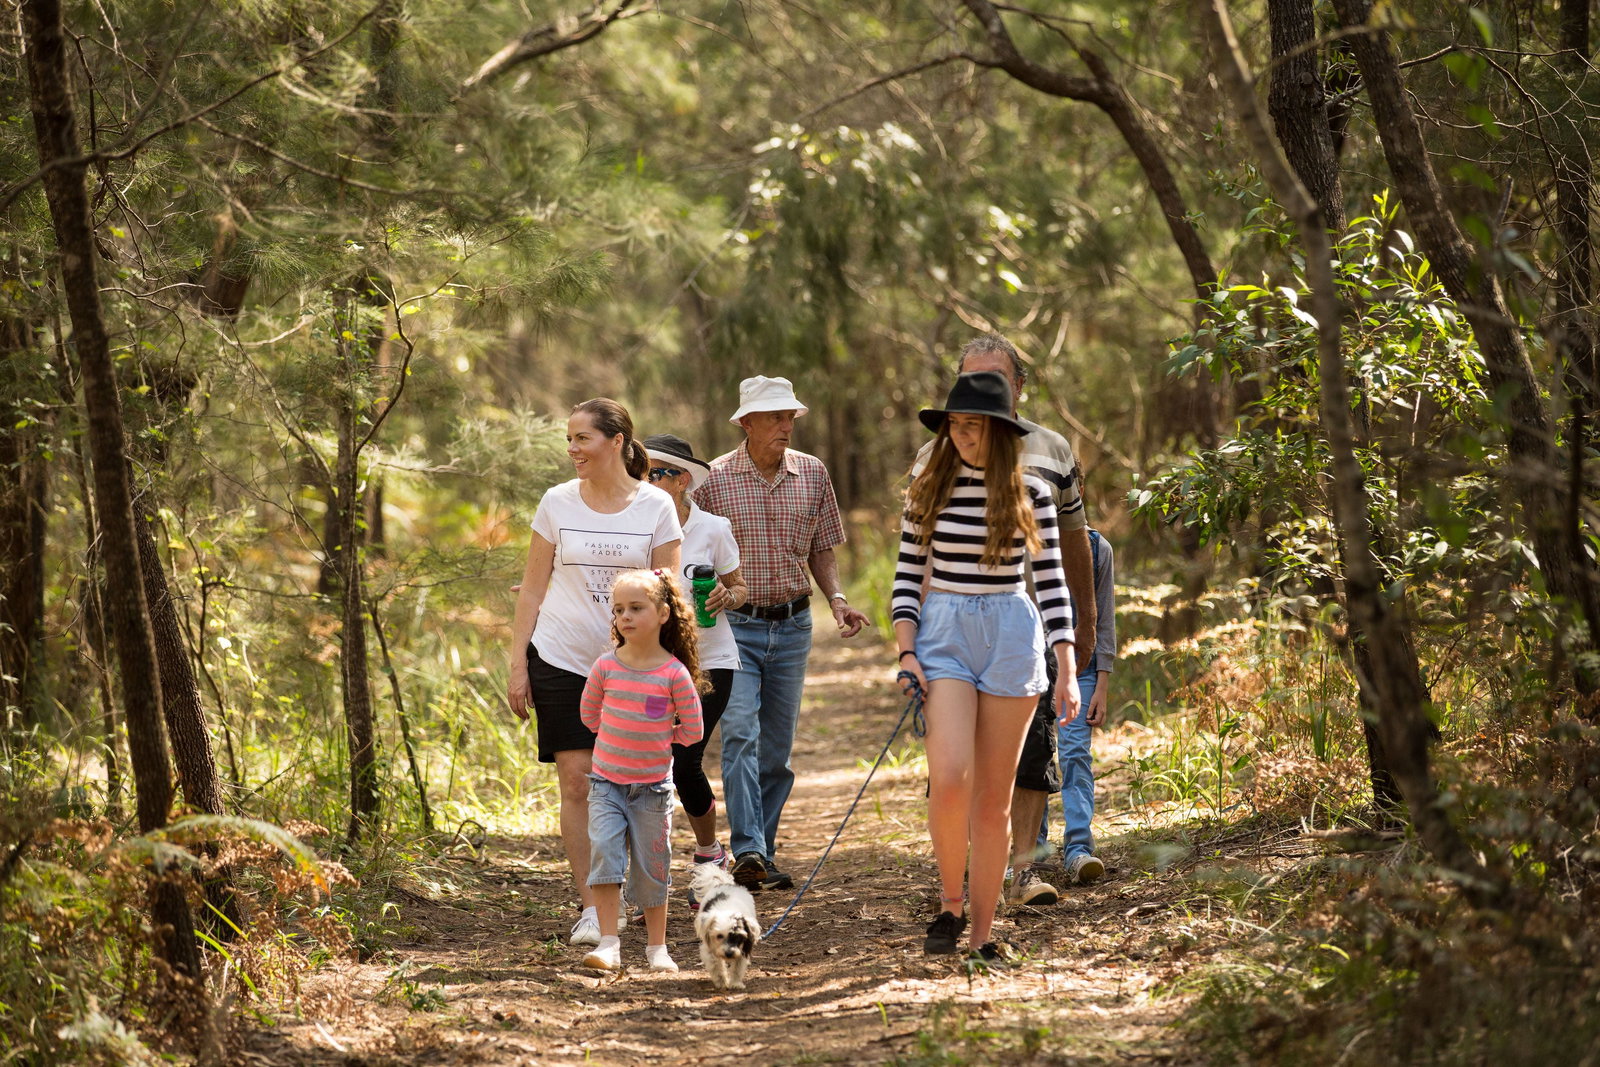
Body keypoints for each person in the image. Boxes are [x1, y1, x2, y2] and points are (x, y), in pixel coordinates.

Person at [894, 370, 1079, 961]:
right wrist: (906, 649)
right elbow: (905, 578)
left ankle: (982, 933)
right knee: (949, 780)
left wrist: (1068, 664)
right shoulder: (927, 487)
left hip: (1010, 630)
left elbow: (1050, 583)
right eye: (955, 424)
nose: (963, 435)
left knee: (995, 799)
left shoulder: (1032, 494)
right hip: (944, 629)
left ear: (1000, 432)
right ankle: (949, 906)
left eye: (974, 426)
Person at [506, 399, 682, 950]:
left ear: (618, 441)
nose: (573, 449)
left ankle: (632, 890)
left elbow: (668, 591)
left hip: (635, 669)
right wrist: (517, 664)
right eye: (570, 439)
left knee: (635, 785)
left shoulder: (655, 505)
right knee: (577, 781)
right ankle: (592, 905)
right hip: (561, 656)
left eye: (583, 438)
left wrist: (667, 669)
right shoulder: (556, 502)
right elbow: (533, 588)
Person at [694, 376, 870, 892]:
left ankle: (758, 854)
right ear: (746, 423)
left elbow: (822, 548)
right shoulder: (714, 480)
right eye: (774, 417)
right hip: (735, 629)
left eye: (790, 416)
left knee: (777, 752)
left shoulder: (813, 474)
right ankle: (748, 847)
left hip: (794, 626)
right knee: (740, 734)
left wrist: (837, 599)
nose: (786, 426)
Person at [947, 335, 1098, 905]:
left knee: (1033, 752)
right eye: (974, 377)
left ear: (1019, 385)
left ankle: (1022, 871)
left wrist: (1082, 627)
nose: (987, 389)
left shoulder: (1053, 450)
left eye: (998, 377)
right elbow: (919, 559)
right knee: (964, 757)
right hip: (957, 634)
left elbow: (1077, 543)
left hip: (1030, 626)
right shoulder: (936, 453)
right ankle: (971, 867)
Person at [577, 569, 707, 972]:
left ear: (664, 614)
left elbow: (694, 728)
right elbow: (589, 715)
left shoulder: (673, 674)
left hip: (652, 789)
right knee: (605, 856)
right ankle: (609, 944)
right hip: (606, 784)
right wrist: (620, 735)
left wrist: (659, 738)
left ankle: (657, 949)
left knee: (654, 867)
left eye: (636, 608)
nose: (626, 617)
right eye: (619, 610)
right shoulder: (605, 667)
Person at [640, 433, 749, 885]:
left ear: (682, 480)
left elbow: (741, 588)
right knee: (648, 763)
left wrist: (728, 594)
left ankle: (710, 854)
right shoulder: (633, 524)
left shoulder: (713, 528)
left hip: (710, 663)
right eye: (641, 473)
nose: (645, 481)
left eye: (655, 473)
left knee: (684, 760)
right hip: (648, 664)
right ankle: (649, 875)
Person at [1038, 523, 1115, 881]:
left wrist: (1102, 681)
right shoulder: (1027, 538)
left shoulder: (1098, 549)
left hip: (1083, 667)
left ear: (1076, 493)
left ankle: (1079, 849)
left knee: (1075, 754)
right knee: (1034, 757)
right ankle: (1031, 851)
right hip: (1032, 664)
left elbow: (1103, 618)